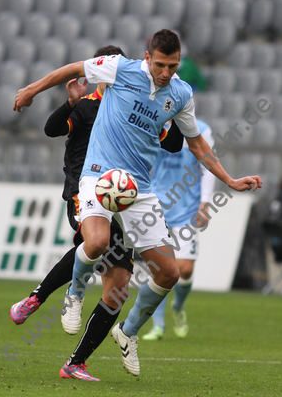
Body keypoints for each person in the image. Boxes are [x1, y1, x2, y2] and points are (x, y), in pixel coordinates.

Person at [13, 29, 262, 377]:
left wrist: (230, 180)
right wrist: (30, 91)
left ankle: (127, 331)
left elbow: (198, 146)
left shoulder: (180, 93)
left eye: (172, 66)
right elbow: (71, 68)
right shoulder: (120, 68)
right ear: (148, 57)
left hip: (138, 190)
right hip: (98, 175)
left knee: (169, 273)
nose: (165, 72)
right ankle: (74, 292)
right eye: (160, 64)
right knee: (97, 241)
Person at [10, 44, 185, 381]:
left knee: (118, 286)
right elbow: (51, 129)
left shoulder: (138, 109)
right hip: (84, 192)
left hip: (126, 201)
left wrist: (173, 109)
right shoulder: (89, 107)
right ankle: (39, 297)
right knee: (97, 242)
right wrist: (70, 103)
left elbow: (173, 143)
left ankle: (75, 362)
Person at [143, 119, 215, 341]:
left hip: (187, 209)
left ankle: (178, 306)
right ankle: (157, 326)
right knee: (160, 269)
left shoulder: (201, 129)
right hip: (157, 206)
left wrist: (205, 202)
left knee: (184, 270)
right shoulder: (154, 122)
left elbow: (208, 164)